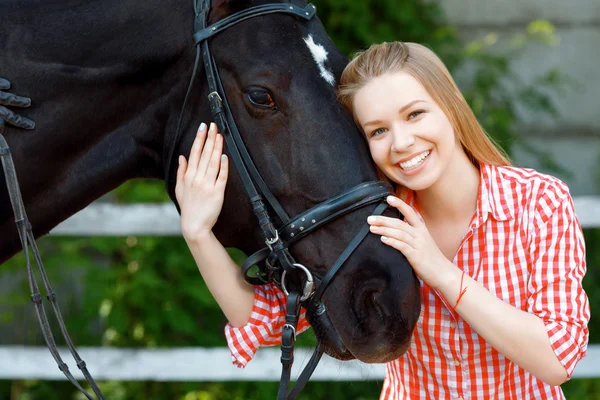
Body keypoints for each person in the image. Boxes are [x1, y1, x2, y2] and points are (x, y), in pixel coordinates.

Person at [175, 42, 590, 399]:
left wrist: (440, 272)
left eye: (414, 115)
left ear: (451, 107)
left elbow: (557, 358)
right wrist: (198, 234)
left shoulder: (539, 201)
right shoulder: (373, 218)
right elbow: (262, 323)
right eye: (377, 131)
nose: (402, 143)